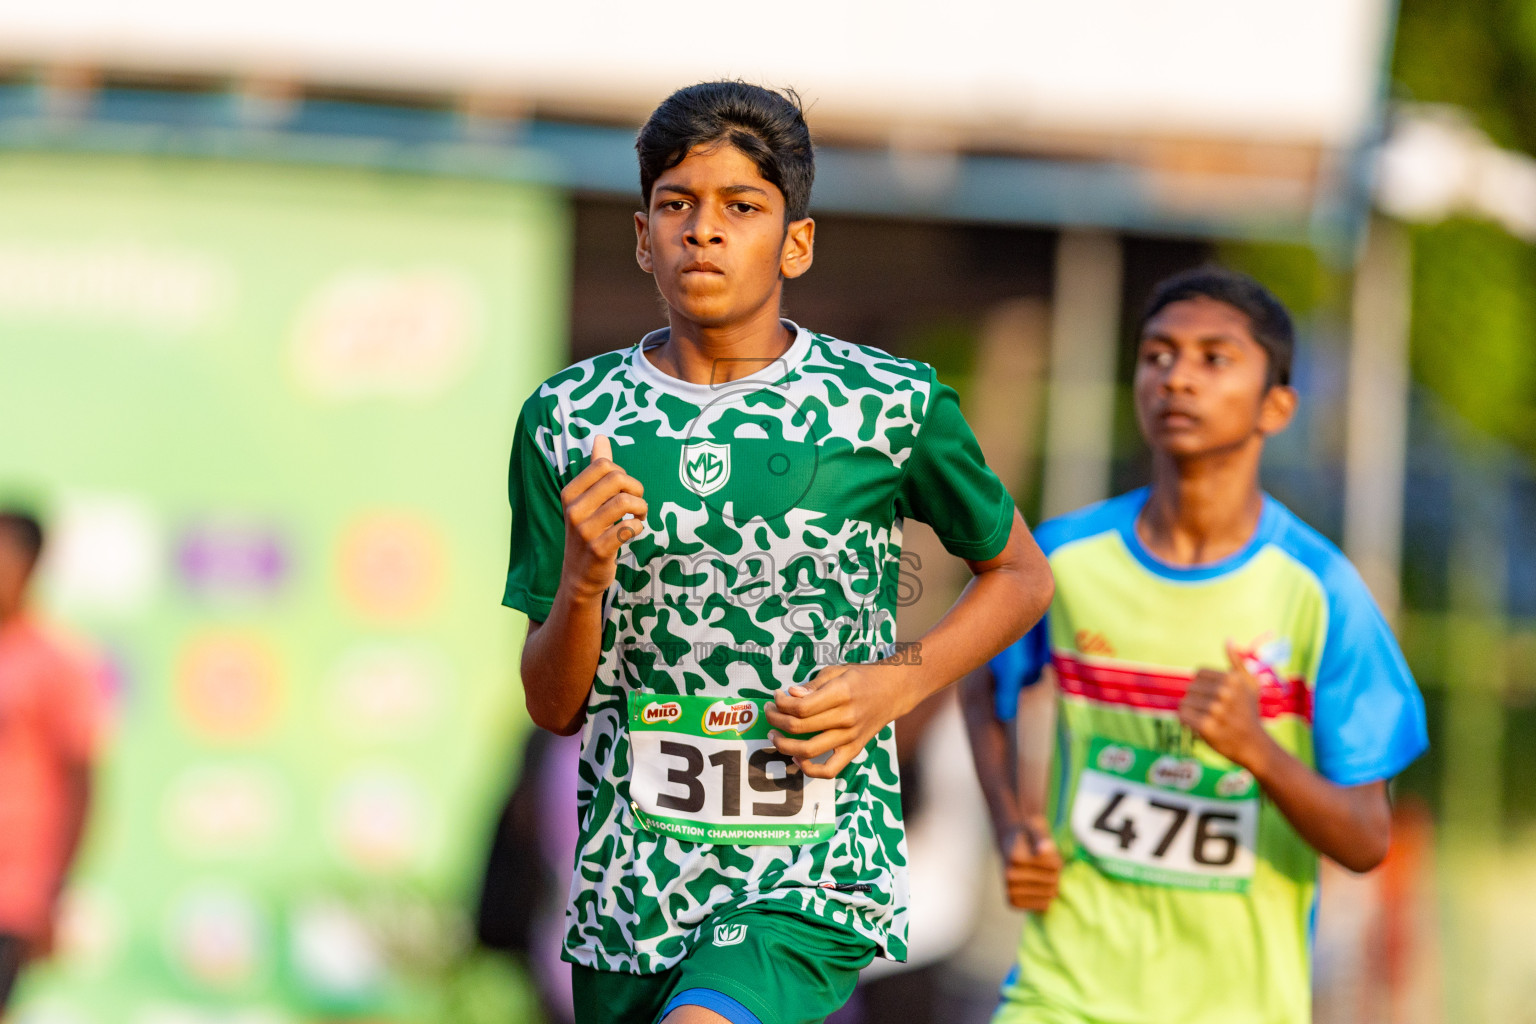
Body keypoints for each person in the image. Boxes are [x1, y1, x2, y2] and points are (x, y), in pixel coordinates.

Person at [502, 81, 1054, 1024]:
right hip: (631, 886)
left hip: (810, 872)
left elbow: (1021, 576)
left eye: (741, 207)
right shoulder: (567, 420)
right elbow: (554, 707)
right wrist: (586, 583)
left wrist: (896, 682)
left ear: (795, 241)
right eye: (678, 206)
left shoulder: (889, 405)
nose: (703, 232)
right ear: (642, 237)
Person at [962, 267, 1429, 1024]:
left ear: (1277, 405)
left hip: (1239, 1006)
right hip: (1062, 993)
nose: (1176, 377)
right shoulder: (1063, 559)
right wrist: (1011, 822)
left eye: (1215, 358)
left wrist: (1259, 750)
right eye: (1157, 355)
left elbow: (1368, 838)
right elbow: (981, 676)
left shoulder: (1320, 591)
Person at [0, 509, 100, 1013]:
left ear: (32, 565)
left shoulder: (57, 661)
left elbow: (83, 779)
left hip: (12, 890)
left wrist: (55, 893)